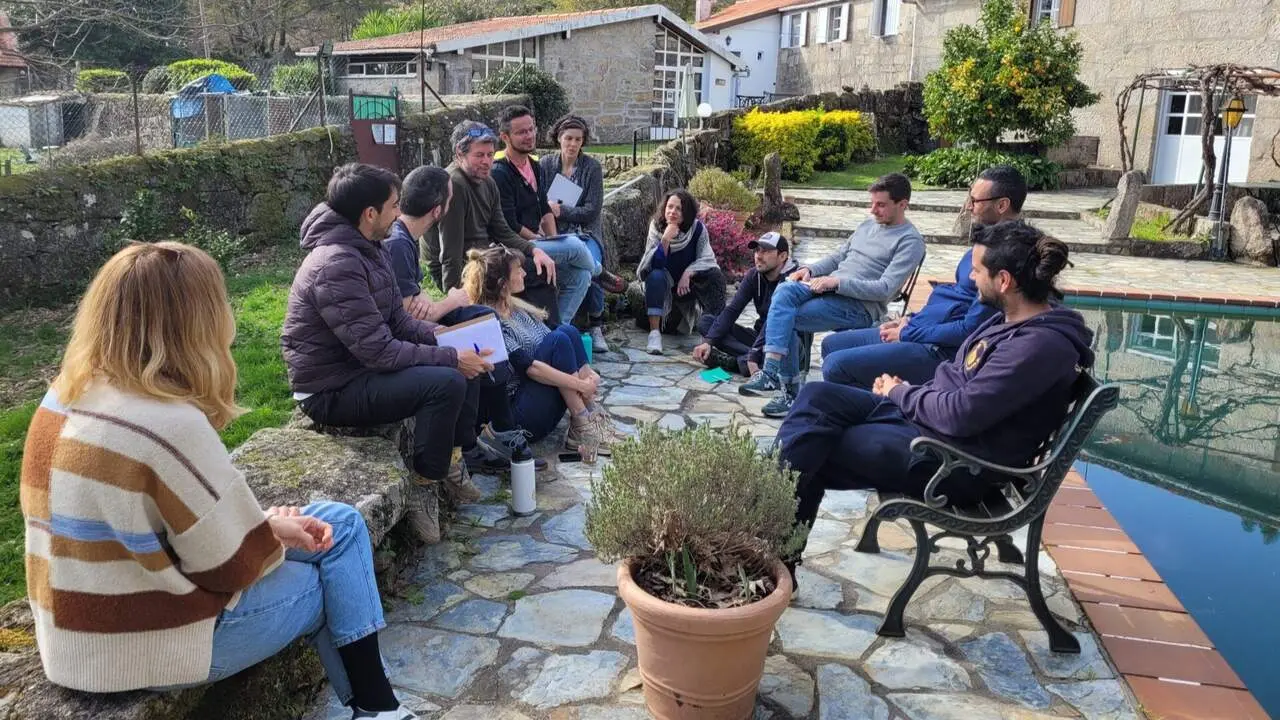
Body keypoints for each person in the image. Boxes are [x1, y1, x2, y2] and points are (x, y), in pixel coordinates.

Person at [21, 241, 418, 720]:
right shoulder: (168, 423)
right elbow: (229, 568)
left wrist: (266, 527)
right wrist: (265, 537)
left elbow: (153, 532)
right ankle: (377, 709)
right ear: (198, 321)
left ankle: (378, 710)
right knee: (328, 574)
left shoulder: (62, 399)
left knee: (340, 522)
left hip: (70, 638)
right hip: (139, 650)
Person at [776, 220, 1092, 582]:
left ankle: (771, 560)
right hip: (930, 427)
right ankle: (772, 549)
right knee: (816, 397)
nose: (972, 279)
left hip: (957, 464)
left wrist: (901, 392)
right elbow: (957, 387)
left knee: (811, 446)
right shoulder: (1012, 321)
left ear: (1004, 281)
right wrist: (907, 393)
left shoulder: (1036, 347)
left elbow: (961, 414)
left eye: (977, 271)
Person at [281, 163, 495, 545]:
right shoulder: (337, 265)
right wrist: (448, 356)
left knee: (462, 351)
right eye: (394, 206)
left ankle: (455, 457)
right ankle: (424, 484)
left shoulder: (368, 248)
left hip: (358, 369)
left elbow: (398, 321)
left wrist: (445, 336)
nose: (399, 213)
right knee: (447, 379)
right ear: (370, 214)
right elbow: (380, 350)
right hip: (330, 390)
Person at [385, 164, 545, 471]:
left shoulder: (405, 238)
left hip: (415, 325)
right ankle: (478, 440)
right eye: (450, 198)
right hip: (404, 338)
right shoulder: (398, 244)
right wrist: (451, 300)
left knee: (481, 316)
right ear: (437, 210)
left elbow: (419, 304)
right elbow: (411, 315)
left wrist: (435, 306)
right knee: (473, 325)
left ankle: (496, 425)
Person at [820, 165, 1027, 389]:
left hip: (940, 349)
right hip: (924, 327)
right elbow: (956, 300)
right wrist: (910, 319)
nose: (969, 207)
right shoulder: (988, 243)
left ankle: (886, 409)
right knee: (832, 344)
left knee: (836, 365)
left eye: (975, 201)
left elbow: (970, 328)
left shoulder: (1007, 256)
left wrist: (910, 333)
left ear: (1002, 205)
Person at [740, 172, 926, 418]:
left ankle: (788, 391)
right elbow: (838, 257)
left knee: (790, 316)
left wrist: (836, 282)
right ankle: (773, 372)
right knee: (785, 288)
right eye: (872, 203)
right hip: (830, 289)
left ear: (902, 204)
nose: (873, 210)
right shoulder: (868, 225)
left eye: (880, 205)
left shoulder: (910, 242)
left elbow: (885, 289)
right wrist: (809, 270)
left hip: (861, 306)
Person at [462, 246, 622, 461]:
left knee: (567, 331)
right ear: (502, 284)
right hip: (519, 415)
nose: (524, 274)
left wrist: (589, 374)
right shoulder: (492, 323)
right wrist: (582, 385)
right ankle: (582, 422)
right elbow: (532, 368)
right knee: (559, 339)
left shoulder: (516, 308)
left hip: (538, 396)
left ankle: (590, 415)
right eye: (518, 270)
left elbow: (558, 347)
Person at [425, 120, 563, 324]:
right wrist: (455, 299)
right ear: (459, 154)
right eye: (479, 155)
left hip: (485, 256)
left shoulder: (488, 182)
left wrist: (534, 250)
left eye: (490, 155)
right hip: (462, 266)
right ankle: (546, 334)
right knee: (535, 274)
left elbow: (502, 230)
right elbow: (450, 250)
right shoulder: (454, 184)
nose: (486, 162)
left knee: (537, 267)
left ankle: (540, 332)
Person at [491, 105, 612, 326]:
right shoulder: (500, 173)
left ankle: (558, 331)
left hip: (545, 240)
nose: (529, 136)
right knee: (576, 248)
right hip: (518, 245)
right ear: (505, 137)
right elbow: (510, 225)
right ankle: (600, 271)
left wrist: (552, 240)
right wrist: (540, 243)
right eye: (521, 132)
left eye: (531, 129)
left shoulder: (534, 165)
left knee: (580, 276)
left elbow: (544, 209)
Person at [540, 113, 627, 351]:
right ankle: (600, 272)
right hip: (551, 232)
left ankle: (596, 325)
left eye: (578, 139)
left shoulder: (592, 167)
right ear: (559, 138)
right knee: (588, 267)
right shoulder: (546, 164)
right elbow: (538, 200)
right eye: (568, 138)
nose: (573, 144)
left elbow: (592, 210)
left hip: (585, 232)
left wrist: (561, 211)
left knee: (586, 261)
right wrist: (550, 215)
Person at [691, 231, 798, 376]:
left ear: (783, 256)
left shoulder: (794, 280)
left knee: (775, 362)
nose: (758, 256)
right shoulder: (754, 275)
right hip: (758, 337)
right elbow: (733, 310)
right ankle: (747, 360)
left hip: (784, 345)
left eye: (766, 251)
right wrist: (708, 342)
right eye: (757, 250)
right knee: (706, 323)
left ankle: (738, 362)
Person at [636, 188, 727, 355]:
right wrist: (665, 240)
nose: (673, 212)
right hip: (664, 292)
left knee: (716, 276)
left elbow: (707, 260)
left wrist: (689, 272)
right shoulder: (656, 227)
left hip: (687, 288)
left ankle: (713, 335)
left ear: (687, 212)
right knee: (656, 275)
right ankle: (655, 334)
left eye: (678, 208)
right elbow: (653, 264)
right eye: (669, 207)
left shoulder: (697, 229)